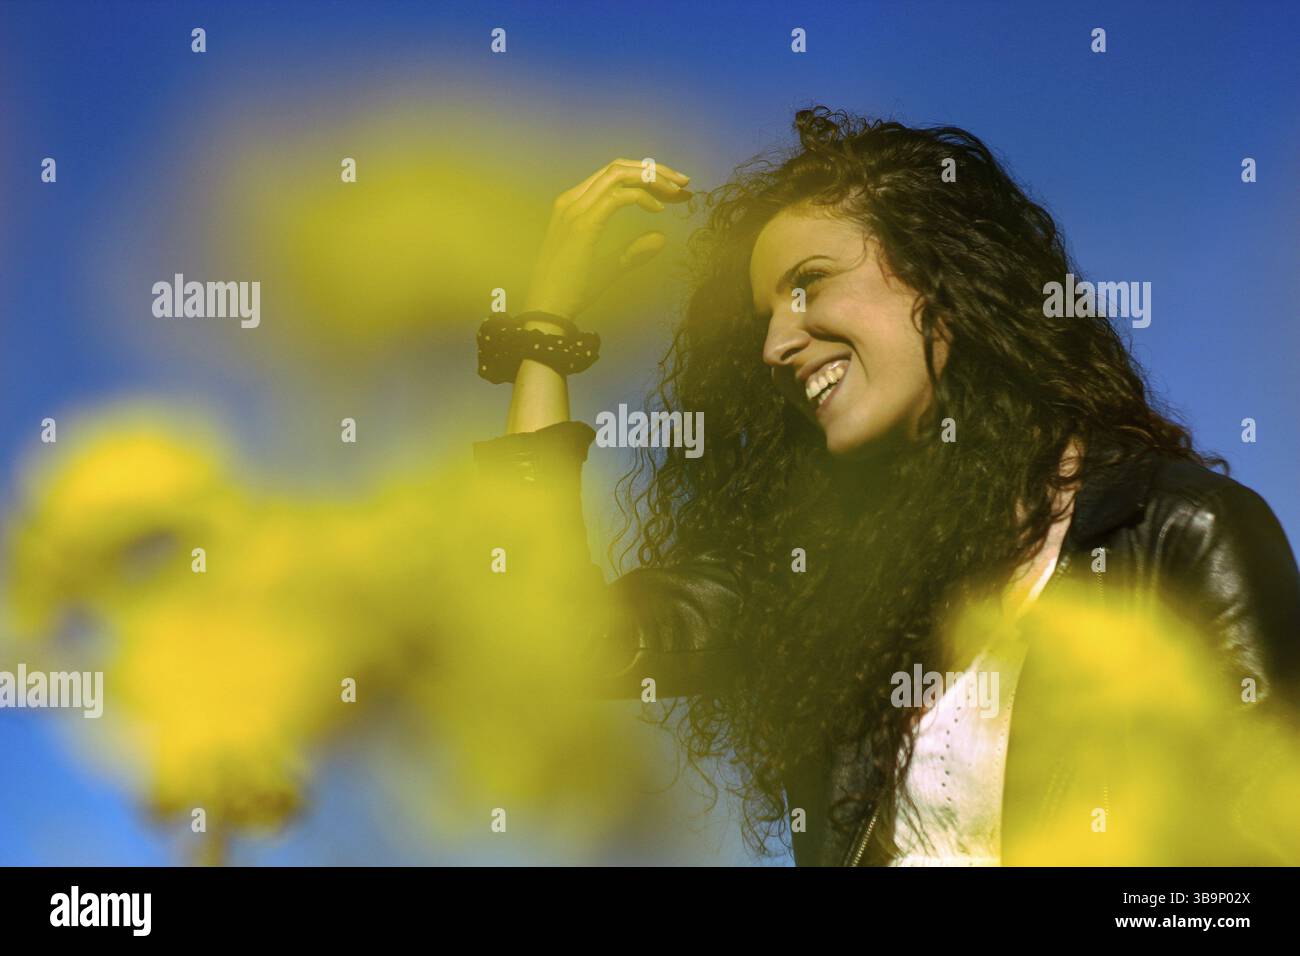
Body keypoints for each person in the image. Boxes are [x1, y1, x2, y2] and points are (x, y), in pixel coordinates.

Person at [471, 107, 1300, 866]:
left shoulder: (1174, 530)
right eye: (765, 316)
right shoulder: (814, 582)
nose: (776, 345)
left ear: (942, 278)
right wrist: (544, 334)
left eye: (809, 286)